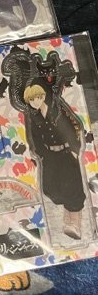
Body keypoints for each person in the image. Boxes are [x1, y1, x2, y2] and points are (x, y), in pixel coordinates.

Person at [23, 83, 86, 240]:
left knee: (72, 187)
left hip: (67, 153)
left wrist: (74, 150)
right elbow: (35, 138)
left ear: (44, 96)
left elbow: (70, 129)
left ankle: (75, 223)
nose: (36, 102)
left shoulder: (56, 111)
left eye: (38, 97)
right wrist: (42, 155)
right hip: (51, 156)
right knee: (52, 188)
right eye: (32, 100)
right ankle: (68, 215)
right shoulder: (34, 117)